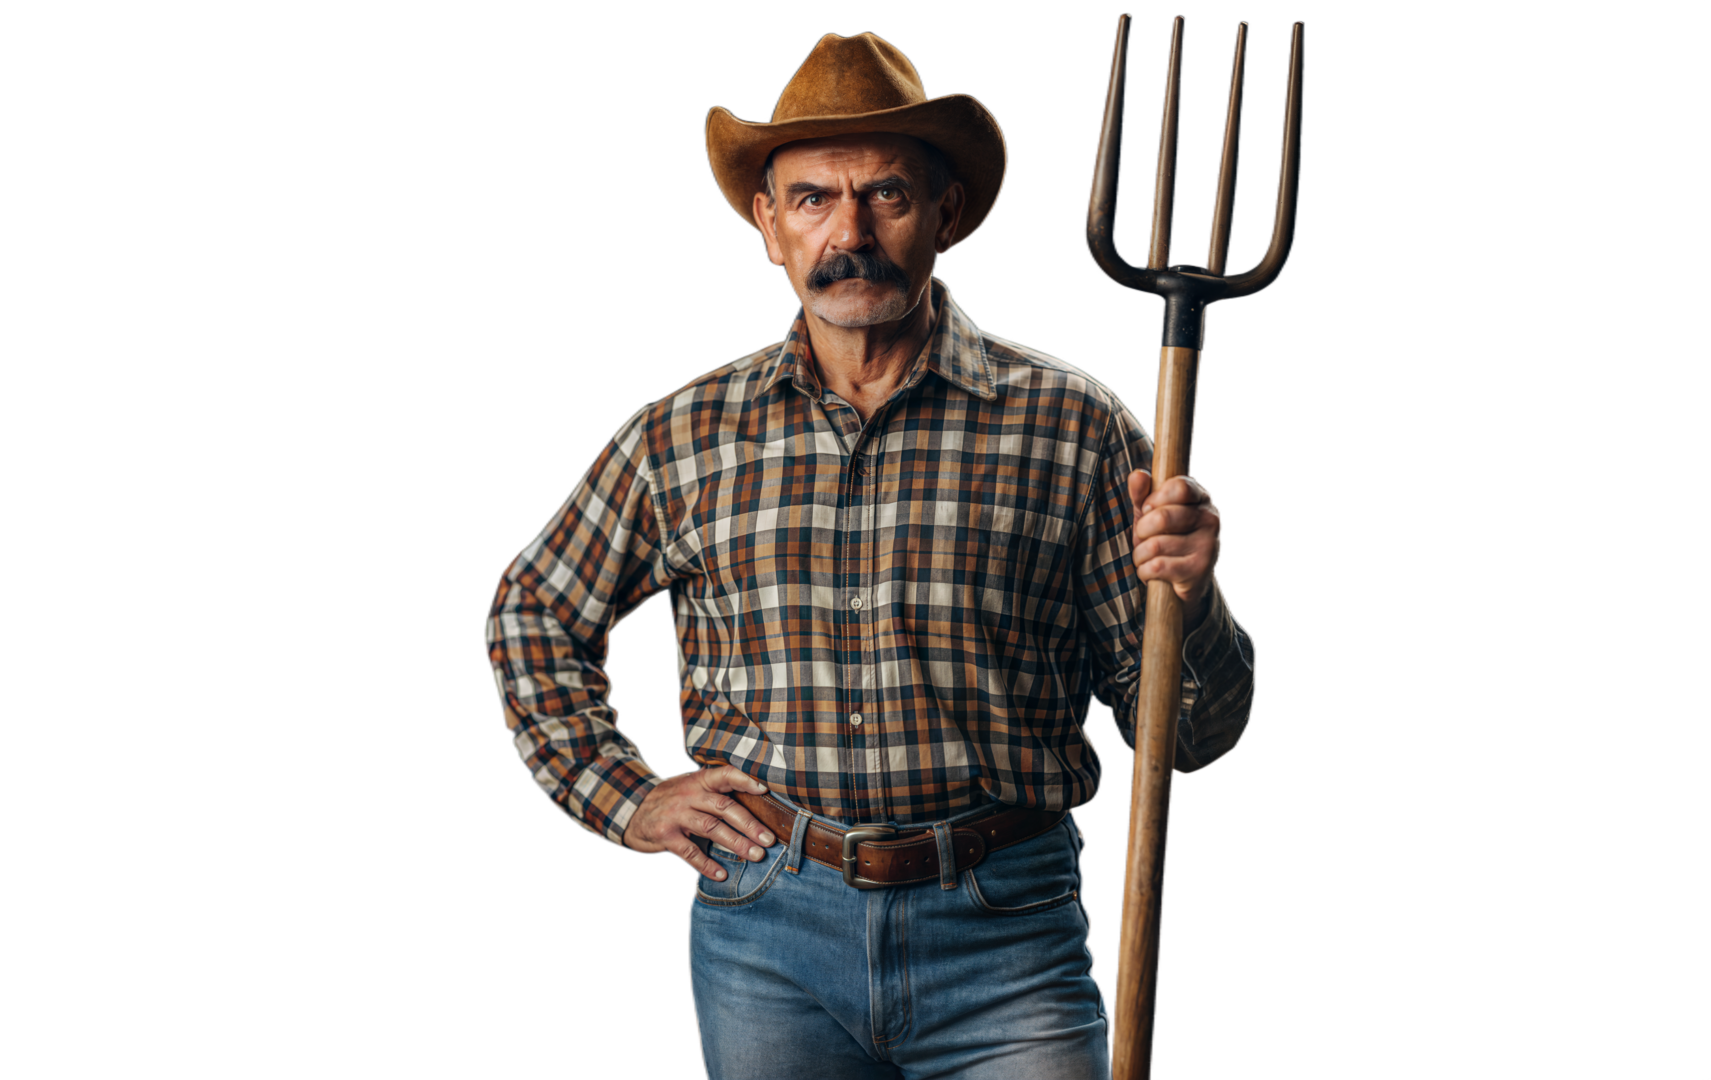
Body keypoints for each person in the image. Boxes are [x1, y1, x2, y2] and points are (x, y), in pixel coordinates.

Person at [482, 29, 1257, 1080]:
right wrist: (626, 795)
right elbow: (532, 609)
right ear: (769, 225)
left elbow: (1189, 738)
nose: (850, 231)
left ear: (944, 213)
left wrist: (1196, 598)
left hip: (1008, 932)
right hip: (768, 934)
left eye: (887, 194)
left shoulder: (1074, 428)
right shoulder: (681, 438)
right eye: (812, 198)